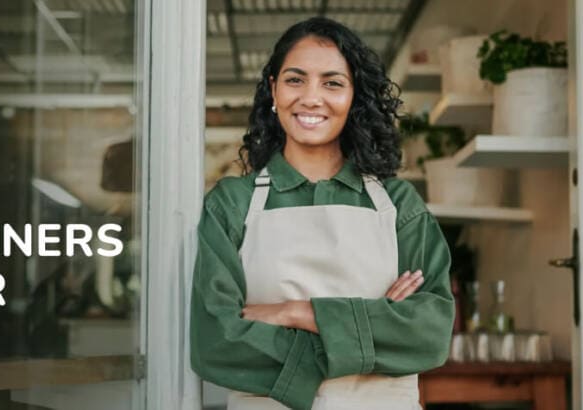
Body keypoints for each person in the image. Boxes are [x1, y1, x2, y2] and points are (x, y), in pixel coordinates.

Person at [189, 17, 454, 410]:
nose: (311, 98)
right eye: (295, 80)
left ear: (354, 96)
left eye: (332, 83)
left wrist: (295, 313)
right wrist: (371, 328)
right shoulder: (232, 203)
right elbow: (216, 343)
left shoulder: (398, 204)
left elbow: (429, 333)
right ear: (273, 90)